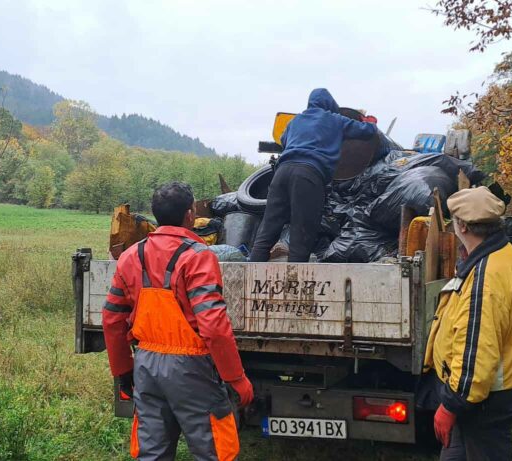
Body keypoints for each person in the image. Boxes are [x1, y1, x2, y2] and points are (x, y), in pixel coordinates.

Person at [102, 182, 253, 461]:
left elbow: (112, 318)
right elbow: (214, 326)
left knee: (152, 453)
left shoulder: (130, 256)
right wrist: (236, 377)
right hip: (193, 370)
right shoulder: (198, 257)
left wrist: (123, 371)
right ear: (190, 215)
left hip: (146, 367)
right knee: (214, 452)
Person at [423, 186, 512, 461]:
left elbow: (476, 350)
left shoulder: (485, 278)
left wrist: (451, 406)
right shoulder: (499, 253)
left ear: (462, 226)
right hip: (481, 399)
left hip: (485, 403)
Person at [249, 88, 377, 263]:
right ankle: (294, 278)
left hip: (281, 174)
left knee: (268, 228)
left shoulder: (295, 121)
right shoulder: (334, 119)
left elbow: (284, 141)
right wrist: (369, 120)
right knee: (302, 231)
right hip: (308, 175)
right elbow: (368, 131)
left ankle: (251, 272)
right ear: (329, 104)